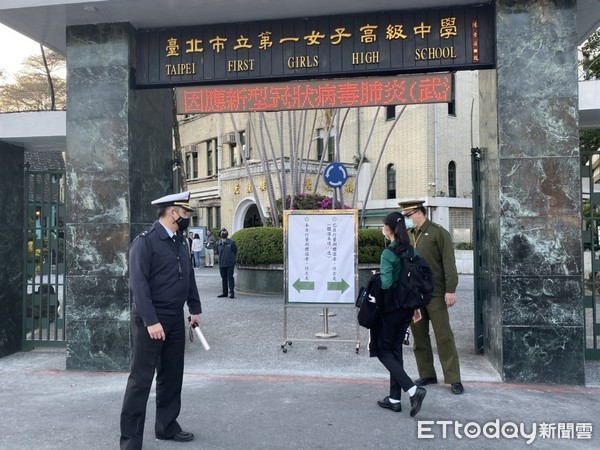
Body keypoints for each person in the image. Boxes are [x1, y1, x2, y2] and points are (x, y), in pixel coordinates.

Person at [120, 191, 202, 449]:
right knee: (140, 381)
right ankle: (131, 441)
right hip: (151, 321)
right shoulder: (145, 242)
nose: (188, 216)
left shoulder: (180, 241)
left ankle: (166, 426)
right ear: (173, 212)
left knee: (172, 374)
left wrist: (195, 309)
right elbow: (138, 284)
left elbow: (188, 276)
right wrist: (151, 321)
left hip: (175, 319)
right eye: (185, 212)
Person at [400, 200, 464, 395]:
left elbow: (449, 263)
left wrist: (450, 290)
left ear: (419, 212)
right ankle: (427, 373)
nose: (407, 220)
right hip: (415, 295)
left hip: (435, 293)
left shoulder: (438, 233)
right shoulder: (409, 236)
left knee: (443, 335)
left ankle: (453, 378)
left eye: (408, 216)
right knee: (419, 336)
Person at [371, 212, 426, 417]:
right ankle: (394, 399)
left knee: (383, 351)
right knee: (395, 351)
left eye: (384, 226)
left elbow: (386, 284)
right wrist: (416, 308)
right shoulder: (411, 250)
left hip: (391, 309)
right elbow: (414, 282)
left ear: (389, 229)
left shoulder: (388, 253)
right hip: (407, 308)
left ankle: (413, 390)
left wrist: (377, 276)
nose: (383, 229)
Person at [216, 228, 237, 298]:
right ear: (220, 234)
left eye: (225, 232)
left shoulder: (231, 242)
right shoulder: (218, 243)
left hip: (230, 263)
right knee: (223, 278)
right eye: (222, 232)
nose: (224, 233)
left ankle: (232, 292)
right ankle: (224, 292)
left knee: (230, 278)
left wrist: (232, 259)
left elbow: (235, 251)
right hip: (222, 263)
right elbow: (218, 252)